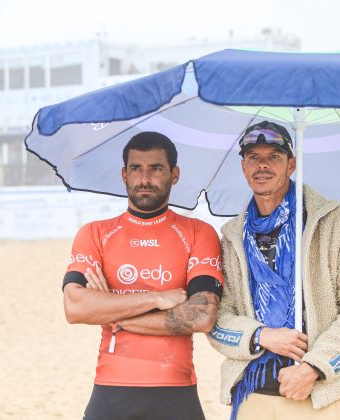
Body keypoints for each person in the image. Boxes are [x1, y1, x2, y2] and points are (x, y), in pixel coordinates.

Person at [207, 120, 340, 420]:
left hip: (316, 394)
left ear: (292, 164)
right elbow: (218, 316)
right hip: (251, 394)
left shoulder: (335, 222)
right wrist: (260, 335)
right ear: (244, 168)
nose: (262, 165)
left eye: (273, 156)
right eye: (253, 157)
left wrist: (314, 367)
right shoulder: (232, 237)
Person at [63, 131, 224, 420]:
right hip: (111, 389)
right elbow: (75, 307)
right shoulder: (96, 234)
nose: (145, 178)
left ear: (174, 175)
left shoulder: (199, 233)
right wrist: (157, 297)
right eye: (136, 168)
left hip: (176, 390)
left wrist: (110, 310)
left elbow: (201, 315)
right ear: (124, 174)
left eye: (156, 168)